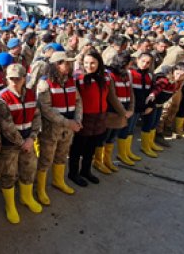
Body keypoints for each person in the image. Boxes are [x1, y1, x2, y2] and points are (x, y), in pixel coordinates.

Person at [0, 64, 42, 224]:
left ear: (24, 79)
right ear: (6, 79)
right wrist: (23, 142)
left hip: (27, 141)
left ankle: (26, 197)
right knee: (8, 175)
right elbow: (7, 127)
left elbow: (36, 117)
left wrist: (32, 138)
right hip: (9, 145)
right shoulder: (1, 98)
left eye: (18, 79)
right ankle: (10, 205)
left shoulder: (31, 95)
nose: (14, 82)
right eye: (11, 79)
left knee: (29, 170)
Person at [71, 50, 125, 186]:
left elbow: (111, 96)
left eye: (93, 63)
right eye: (86, 63)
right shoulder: (78, 78)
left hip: (100, 117)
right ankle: (73, 173)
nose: (89, 66)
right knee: (78, 148)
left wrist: (123, 112)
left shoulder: (106, 78)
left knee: (91, 147)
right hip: (84, 117)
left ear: (99, 63)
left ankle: (86, 171)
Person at [35, 51, 83, 204]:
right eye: (65, 63)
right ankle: (40, 188)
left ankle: (58, 180)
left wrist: (77, 119)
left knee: (62, 155)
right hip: (51, 129)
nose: (69, 66)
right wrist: (68, 122)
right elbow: (46, 109)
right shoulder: (44, 83)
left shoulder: (70, 81)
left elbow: (78, 102)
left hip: (68, 128)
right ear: (56, 65)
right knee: (46, 158)